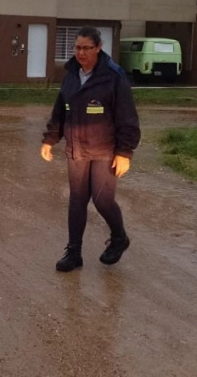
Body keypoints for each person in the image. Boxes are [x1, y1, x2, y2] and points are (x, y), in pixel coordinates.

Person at [40, 27, 141, 272]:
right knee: (77, 200)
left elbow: (127, 117)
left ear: (98, 48)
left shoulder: (113, 77)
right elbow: (61, 109)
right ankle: (73, 253)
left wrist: (125, 152)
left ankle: (119, 238)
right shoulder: (71, 75)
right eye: (77, 48)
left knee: (102, 200)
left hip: (105, 149)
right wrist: (50, 138)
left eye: (86, 48)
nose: (81, 53)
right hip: (77, 149)